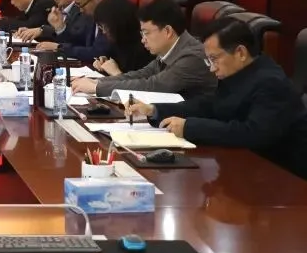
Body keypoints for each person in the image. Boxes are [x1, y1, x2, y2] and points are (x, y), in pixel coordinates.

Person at [127, 18, 307, 180]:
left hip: (282, 179)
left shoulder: (271, 83)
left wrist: (190, 127)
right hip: (244, 167)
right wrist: (155, 110)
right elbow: (209, 106)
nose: (212, 68)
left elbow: (252, 133)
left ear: (240, 53)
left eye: (214, 59)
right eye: (208, 61)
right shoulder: (238, 74)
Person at [72, 0, 216, 99]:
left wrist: (97, 88)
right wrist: (98, 82)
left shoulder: (192, 57)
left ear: (167, 31)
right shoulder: (171, 49)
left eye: (146, 33)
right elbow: (141, 74)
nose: (142, 39)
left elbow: (153, 85)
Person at [34, 0, 111, 61]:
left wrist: (59, 47)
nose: (81, 10)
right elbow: (79, 41)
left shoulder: (112, 13)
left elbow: (98, 52)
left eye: (81, 5)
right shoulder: (92, 13)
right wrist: (60, 27)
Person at [87, 0, 153, 75]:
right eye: (101, 27)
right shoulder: (118, 40)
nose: (104, 32)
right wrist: (103, 62)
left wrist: (116, 73)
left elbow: (140, 81)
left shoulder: (145, 45)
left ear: (117, 24)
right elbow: (113, 61)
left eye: (105, 27)